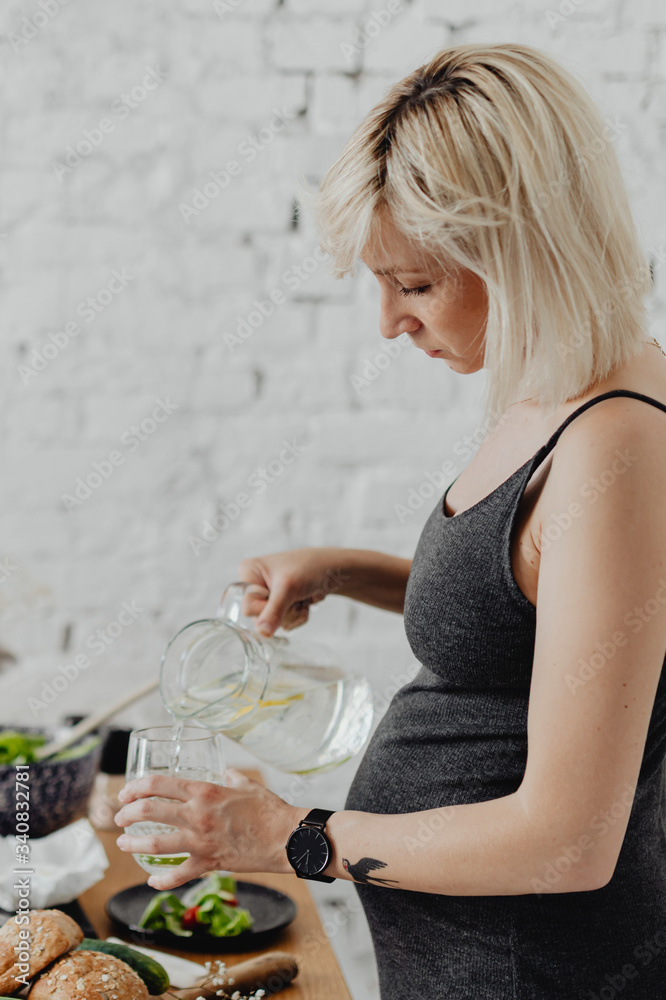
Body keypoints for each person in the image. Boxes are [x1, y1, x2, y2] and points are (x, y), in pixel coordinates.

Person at [115, 44, 666, 999]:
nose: (388, 322)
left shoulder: (614, 445)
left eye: (413, 285)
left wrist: (288, 836)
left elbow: (570, 842)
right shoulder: (560, 386)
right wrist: (351, 571)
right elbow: (555, 620)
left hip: (529, 971)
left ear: (521, 247)